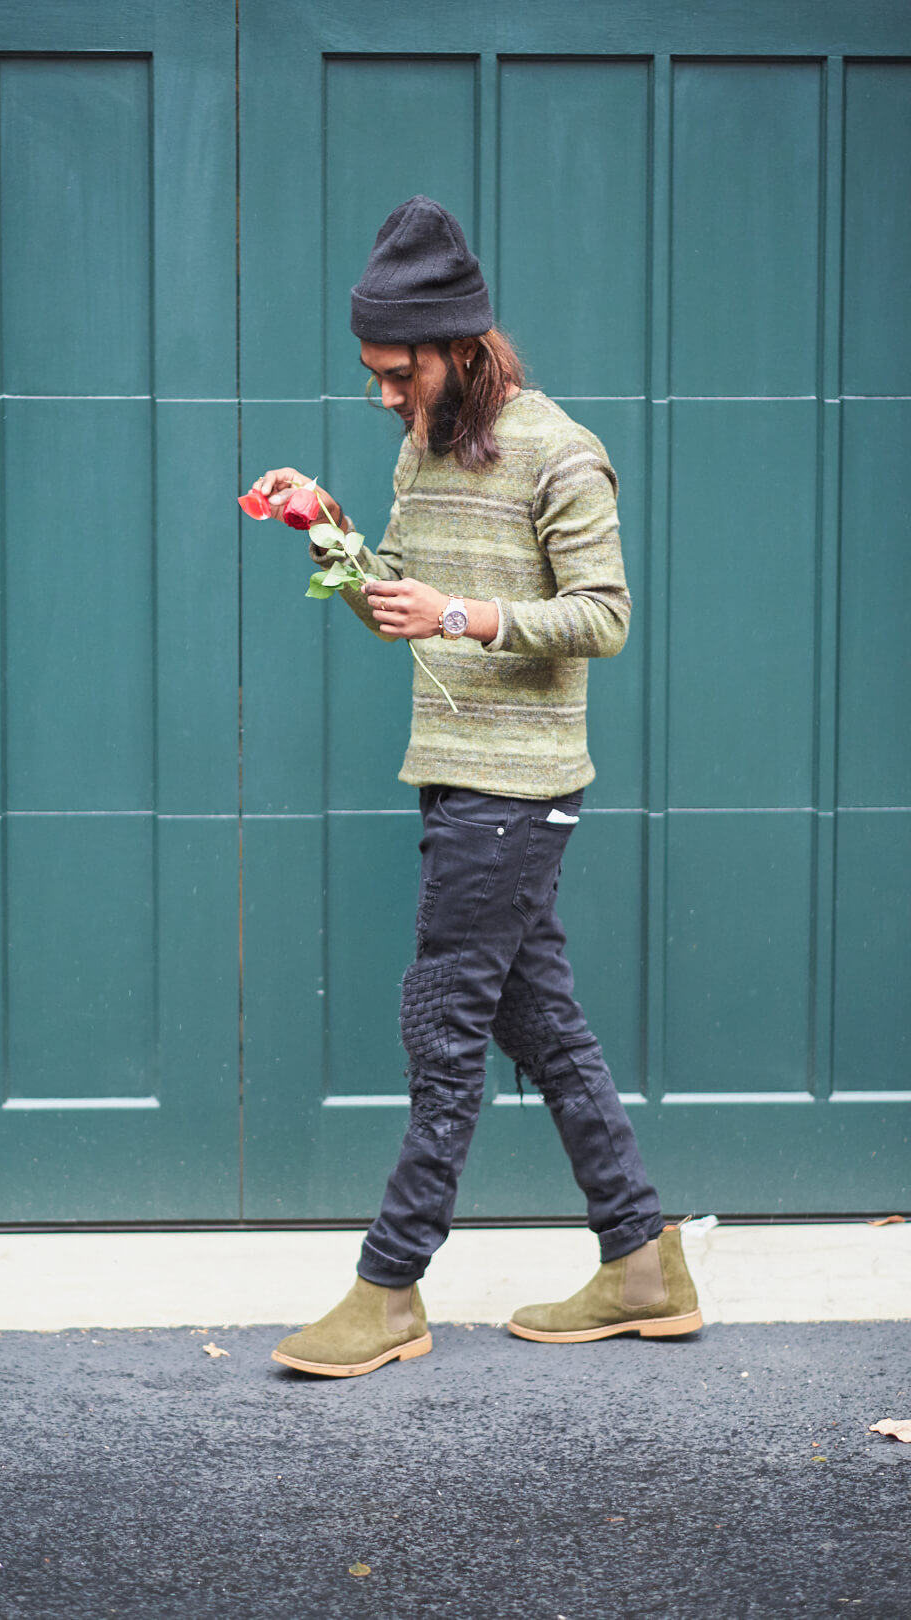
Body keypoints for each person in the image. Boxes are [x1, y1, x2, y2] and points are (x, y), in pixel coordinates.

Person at [253, 196, 701, 1378]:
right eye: (375, 378)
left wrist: (463, 612)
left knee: (441, 1029)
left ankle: (390, 1286)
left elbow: (604, 618)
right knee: (538, 1021)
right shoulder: (421, 451)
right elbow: (392, 604)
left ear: (460, 349)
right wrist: (334, 535)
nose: (388, 396)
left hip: (520, 790)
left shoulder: (561, 451)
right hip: (452, 780)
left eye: (399, 373)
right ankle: (644, 1260)